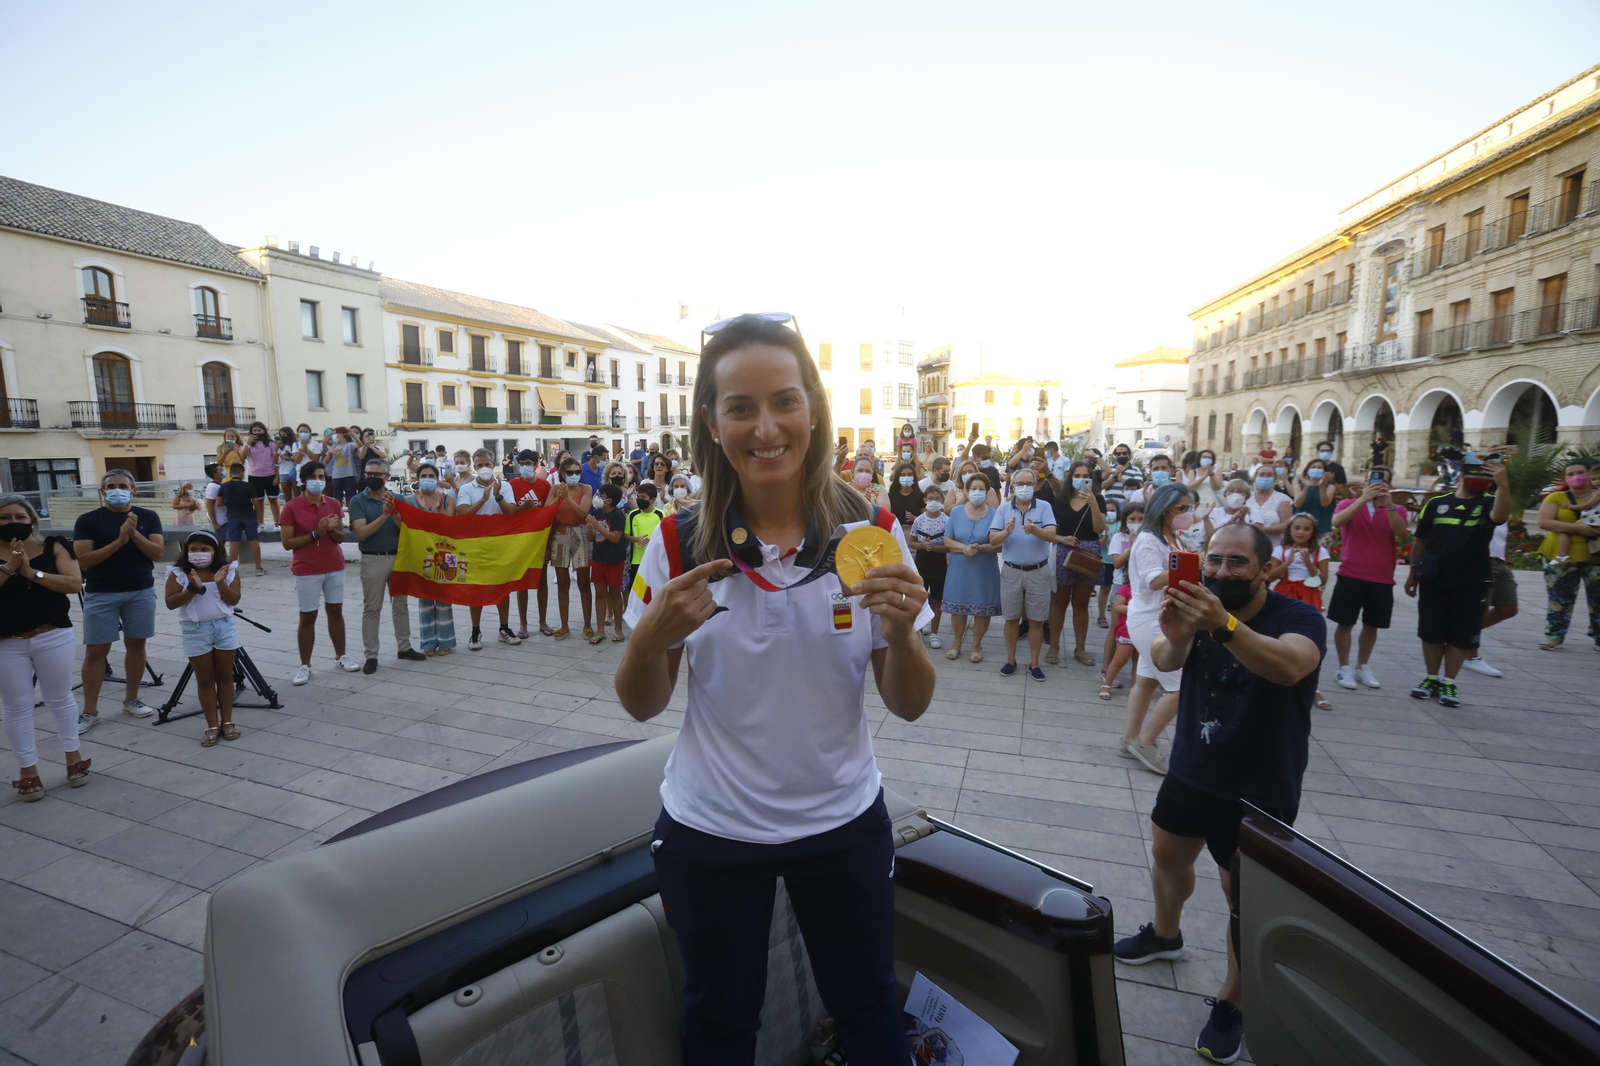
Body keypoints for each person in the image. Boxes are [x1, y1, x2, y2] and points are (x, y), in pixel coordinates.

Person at [616, 313, 934, 1065]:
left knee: (866, 1009)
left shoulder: (875, 535)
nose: (767, 428)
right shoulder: (675, 540)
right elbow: (641, 702)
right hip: (711, 830)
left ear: (813, 410)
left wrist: (905, 633)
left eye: (784, 401)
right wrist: (647, 637)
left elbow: (910, 701)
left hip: (842, 821)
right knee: (721, 1023)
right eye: (741, 407)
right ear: (712, 422)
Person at [1115, 523, 1325, 1065]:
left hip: (1259, 787)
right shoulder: (1200, 609)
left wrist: (1223, 624)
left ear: (1265, 568)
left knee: (1242, 897)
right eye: (1214, 561)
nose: (1221, 572)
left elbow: (1291, 666)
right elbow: (1163, 661)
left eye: (1236, 563)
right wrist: (1181, 634)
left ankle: (1234, 999)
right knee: (1166, 854)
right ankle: (1166, 934)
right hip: (1192, 771)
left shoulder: (1296, 618)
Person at [1406, 458, 1512, 707]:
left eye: (1488, 479)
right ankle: (1431, 678)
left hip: (1472, 580)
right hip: (1434, 579)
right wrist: (1413, 574)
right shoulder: (1436, 503)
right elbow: (1420, 541)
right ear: (1462, 475)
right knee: (1431, 631)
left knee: (1462, 634)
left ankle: (1449, 682)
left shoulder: (1488, 503)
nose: (1483, 481)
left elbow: (1501, 515)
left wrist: (1503, 484)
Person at [1, 494, 87, 800]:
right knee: (16, 707)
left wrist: (31, 572)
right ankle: (28, 771)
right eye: (6, 517)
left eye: (20, 517)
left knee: (60, 698)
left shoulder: (54, 545)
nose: (14, 522)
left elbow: (73, 583)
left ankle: (73, 758)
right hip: (7, 642)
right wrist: (10, 566)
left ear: (32, 520)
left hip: (52, 635)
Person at [72, 469, 163, 728]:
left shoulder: (148, 517)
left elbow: (157, 553)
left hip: (140, 591)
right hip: (101, 593)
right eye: (111, 485)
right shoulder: (88, 520)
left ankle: (131, 699)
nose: (117, 489)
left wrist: (134, 534)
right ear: (102, 492)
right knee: (96, 651)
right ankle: (90, 710)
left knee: (137, 645)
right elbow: (85, 560)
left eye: (123, 485)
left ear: (133, 490)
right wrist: (120, 540)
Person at [1121, 484, 1197, 775]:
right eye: (1182, 508)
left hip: (1164, 616)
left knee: (1147, 682)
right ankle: (1146, 742)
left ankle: (1129, 739)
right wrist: (1193, 566)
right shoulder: (1149, 541)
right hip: (1151, 619)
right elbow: (1153, 579)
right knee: (1181, 687)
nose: (1187, 514)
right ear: (1165, 509)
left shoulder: (1173, 537)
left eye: (1189, 508)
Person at [279, 460, 360, 685]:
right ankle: (305, 665)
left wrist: (332, 530)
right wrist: (316, 533)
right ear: (304, 480)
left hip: (334, 566)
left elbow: (341, 538)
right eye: (314, 477)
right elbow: (287, 543)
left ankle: (341, 656)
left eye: (322, 477)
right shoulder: (291, 507)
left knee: (336, 612)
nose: (318, 481)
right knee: (308, 616)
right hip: (307, 569)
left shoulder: (333, 503)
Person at [1327, 468, 1408, 692]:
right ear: (1364, 483)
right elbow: (1337, 521)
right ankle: (1344, 668)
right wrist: (1363, 500)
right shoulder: (1349, 505)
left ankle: (1362, 665)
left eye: (1383, 482)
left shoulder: (1397, 509)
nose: (1376, 485)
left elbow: (1401, 532)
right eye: (1371, 481)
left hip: (1381, 577)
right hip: (1350, 573)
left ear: (1390, 486)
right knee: (1345, 623)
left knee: (1372, 625)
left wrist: (1389, 504)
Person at [163, 529, 243, 746]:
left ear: (215, 551)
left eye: (204, 549)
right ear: (186, 551)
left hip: (224, 628)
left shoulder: (228, 570)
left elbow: (233, 599)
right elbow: (170, 602)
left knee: (225, 677)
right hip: (195, 630)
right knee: (205, 680)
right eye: (193, 549)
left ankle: (227, 721)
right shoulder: (179, 573)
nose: (199, 553)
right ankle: (212, 725)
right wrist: (192, 589)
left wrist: (219, 583)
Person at [348, 457, 426, 672]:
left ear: (387, 477)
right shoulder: (357, 501)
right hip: (373, 558)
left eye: (377, 475)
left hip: (398, 557)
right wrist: (384, 515)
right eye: (369, 474)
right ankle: (371, 655)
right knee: (372, 608)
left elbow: (405, 528)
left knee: (400, 605)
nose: (372, 478)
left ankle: (404, 647)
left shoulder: (398, 498)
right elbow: (362, 533)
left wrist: (396, 511)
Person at [988, 467, 1056, 680]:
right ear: (1013, 486)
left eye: (1029, 484)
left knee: (1037, 620)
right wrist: (1006, 532)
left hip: (1038, 571)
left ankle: (1034, 663)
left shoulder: (1044, 507)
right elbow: (992, 539)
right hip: (1011, 571)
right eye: (1020, 484)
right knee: (1011, 618)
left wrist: (1036, 531)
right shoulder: (1004, 509)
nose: (1024, 488)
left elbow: (1052, 535)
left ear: (1035, 486)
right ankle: (1011, 660)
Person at [454, 448, 522, 649]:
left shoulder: (505, 486)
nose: (484, 468)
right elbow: (463, 514)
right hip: (475, 545)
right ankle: (475, 631)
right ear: (474, 467)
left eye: (488, 465)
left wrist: (498, 496)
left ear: (494, 466)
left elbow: (512, 513)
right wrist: (483, 499)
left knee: (503, 585)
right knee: (476, 586)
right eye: (480, 465)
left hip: (500, 544)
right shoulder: (467, 489)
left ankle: (504, 627)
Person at [1264, 513, 1332, 710]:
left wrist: (1309, 564)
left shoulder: (1320, 552)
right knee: (1276, 635)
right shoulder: (1281, 549)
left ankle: (1312, 686)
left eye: (1306, 529)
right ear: (1290, 530)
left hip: (1309, 594)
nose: (1301, 532)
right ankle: (1275, 681)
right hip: (1285, 592)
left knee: (1309, 639)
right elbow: (1270, 577)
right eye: (1297, 528)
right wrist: (1288, 562)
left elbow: (1323, 579)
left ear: (1313, 532)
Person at [1536, 459, 1600, 651]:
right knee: (1559, 598)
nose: (1575, 477)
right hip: (1560, 556)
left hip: (1595, 556)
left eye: (1579, 472)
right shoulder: (1555, 498)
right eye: (1569, 474)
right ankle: (1554, 637)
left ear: (1591, 474)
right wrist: (1582, 529)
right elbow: (1545, 522)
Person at [1046, 461, 1105, 668]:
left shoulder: (1097, 499)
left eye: (1085, 476)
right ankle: (1054, 645)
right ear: (1070, 477)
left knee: (1081, 604)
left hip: (1088, 554)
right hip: (1063, 552)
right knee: (1058, 602)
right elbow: (1051, 529)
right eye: (1077, 475)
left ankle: (1080, 647)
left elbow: (1099, 529)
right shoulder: (1060, 501)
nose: (1081, 479)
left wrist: (1094, 503)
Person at [941, 469, 1002, 662]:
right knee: (958, 608)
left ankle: (976, 645)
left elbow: (1000, 544)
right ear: (966, 490)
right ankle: (956, 643)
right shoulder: (957, 512)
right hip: (959, 567)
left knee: (982, 608)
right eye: (973, 488)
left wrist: (982, 547)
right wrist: (963, 548)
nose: (977, 492)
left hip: (985, 569)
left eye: (981, 489)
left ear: (987, 491)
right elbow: (947, 540)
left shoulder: (995, 514)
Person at [408, 462, 459, 656]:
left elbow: (450, 527)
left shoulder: (448, 499)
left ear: (437, 479)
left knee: (444, 598)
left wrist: (437, 510)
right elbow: (411, 527)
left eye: (431, 476)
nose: (427, 479)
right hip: (422, 555)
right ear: (418, 479)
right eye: (424, 476)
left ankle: (446, 640)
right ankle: (428, 641)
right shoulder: (410, 500)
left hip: (446, 554)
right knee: (425, 599)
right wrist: (421, 510)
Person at [506, 449, 553, 638]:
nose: (526, 466)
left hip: (539, 539)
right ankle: (523, 623)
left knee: (542, 581)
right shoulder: (511, 485)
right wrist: (521, 508)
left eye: (530, 463)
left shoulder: (545, 486)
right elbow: (508, 512)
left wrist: (548, 544)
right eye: (523, 463)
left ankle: (543, 621)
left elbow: (550, 514)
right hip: (520, 540)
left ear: (536, 465)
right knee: (521, 583)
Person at [549, 454, 596, 640]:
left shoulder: (586, 488)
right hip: (560, 534)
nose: (574, 475)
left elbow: (583, 514)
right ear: (562, 473)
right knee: (562, 583)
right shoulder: (554, 489)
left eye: (577, 472)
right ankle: (564, 625)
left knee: (584, 582)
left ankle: (587, 624)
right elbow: (547, 512)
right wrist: (558, 497)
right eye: (570, 472)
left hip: (580, 533)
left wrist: (567, 498)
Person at [586, 482, 629, 643]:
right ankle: (600, 630)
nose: (596, 498)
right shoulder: (595, 512)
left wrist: (597, 526)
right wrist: (591, 527)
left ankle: (618, 629)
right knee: (599, 593)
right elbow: (591, 538)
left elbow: (616, 537)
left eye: (600, 495)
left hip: (615, 560)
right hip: (598, 558)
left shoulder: (617, 515)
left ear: (609, 500)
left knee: (615, 594)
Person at [910, 485, 949, 649]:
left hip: (938, 562)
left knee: (937, 599)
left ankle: (934, 633)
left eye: (937, 499)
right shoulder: (919, 520)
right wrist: (921, 546)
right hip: (922, 561)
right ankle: (919, 628)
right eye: (930, 499)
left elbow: (949, 545)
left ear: (942, 500)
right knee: (920, 596)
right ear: (925, 500)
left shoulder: (947, 520)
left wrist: (935, 548)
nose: (934, 502)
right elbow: (911, 542)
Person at [217, 463, 264, 576]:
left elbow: (218, 503)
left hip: (233, 516)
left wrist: (229, 503)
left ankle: (232, 570)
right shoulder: (249, 486)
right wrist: (259, 518)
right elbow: (256, 504)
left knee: (234, 543)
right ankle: (258, 568)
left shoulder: (224, 486)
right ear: (242, 473)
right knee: (253, 541)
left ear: (230, 473)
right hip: (249, 515)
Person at [624, 481, 665, 606]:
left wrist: (652, 542)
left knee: (654, 594)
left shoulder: (660, 514)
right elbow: (626, 535)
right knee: (637, 594)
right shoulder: (633, 515)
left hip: (654, 562)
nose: (639, 500)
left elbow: (664, 537)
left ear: (652, 499)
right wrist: (637, 539)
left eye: (643, 498)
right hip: (637, 561)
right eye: (638, 497)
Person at [242, 421, 281, 529]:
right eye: (254, 431)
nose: (257, 433)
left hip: (270, 475)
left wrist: (277, 477)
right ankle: (260, 523)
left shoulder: (271, 444)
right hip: (254, 476)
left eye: (259, 430)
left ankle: (277, 523)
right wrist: (247, 444)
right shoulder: (248, 444)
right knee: (258, 501)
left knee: (273, 500)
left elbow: (276, 462)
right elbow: (242, 458)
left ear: (264, 431)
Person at [1292, 457, 1338, 548]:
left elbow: (1325, 503)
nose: (1316, 469)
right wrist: (1306, 487)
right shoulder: (1299, 487)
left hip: (1322, 529)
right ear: (1307, 471)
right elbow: (1297, 504)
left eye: (1319, 468)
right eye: (1313, 467)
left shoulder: (1330, 487)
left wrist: (1322, 486)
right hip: (1300, 530)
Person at [1099, 583, 1134, 701]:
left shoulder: (1152, 591)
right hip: (1126, 631)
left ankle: (1136, 689)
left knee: (1139, 662)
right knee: (1119, 660)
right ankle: (1106, 685)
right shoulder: (1125, 588)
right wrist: (1138, 608)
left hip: (1144, 631)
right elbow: (1118, 607)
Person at [1244, 465, 1292, 535]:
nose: (1265, 477)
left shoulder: (1282, 499)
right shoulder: (1246, 496)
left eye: (1269, 475)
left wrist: (1262, 529)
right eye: (1262, 474)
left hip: (1273, 543)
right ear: (1254, 478)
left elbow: (1287, 524)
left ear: (1275, 479)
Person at [325, 428, 359, 505]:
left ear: (341, 434)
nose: (333, 436)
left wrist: (353, 435)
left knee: (350, 498)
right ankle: (338, 515)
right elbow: (325, 461)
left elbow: (360, 445)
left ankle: (352, 515)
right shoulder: (334, 446)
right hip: (336, 476)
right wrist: (331, 452)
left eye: (335, 434)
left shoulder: (350, 445)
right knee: (337, 498)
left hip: (349, 475)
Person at [886, 460, 923, 529]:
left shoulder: (920, 496)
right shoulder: (890, 496)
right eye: (903, 475)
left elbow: (926, 518)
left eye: (909, 475)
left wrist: (915, 518)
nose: (906, 477)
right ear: (898, 477)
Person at [275, 428, 301, 501]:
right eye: (281, 435)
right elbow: (276, 463)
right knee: (287, 498)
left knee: (297, 497)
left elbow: (297, 460)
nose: (283, 437)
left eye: (284, 435)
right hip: (283, 472)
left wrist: (287, 457)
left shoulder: (295, 445)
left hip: (294, 471)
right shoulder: (280, 447)